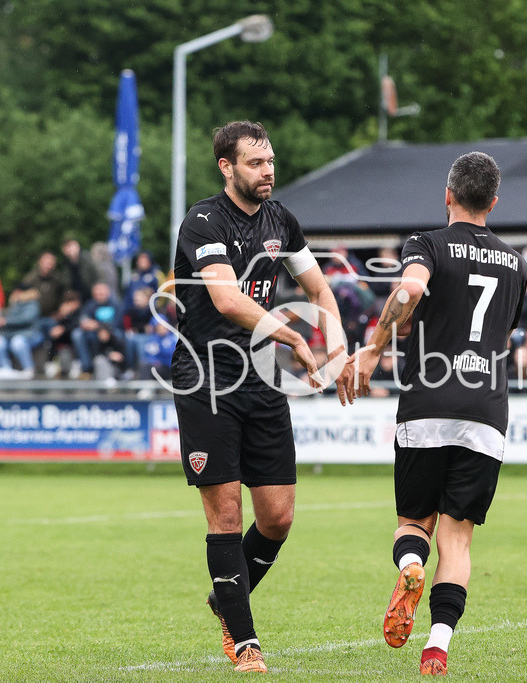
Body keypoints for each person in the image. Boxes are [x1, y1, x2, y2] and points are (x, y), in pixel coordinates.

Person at [171, 121, 351, 673]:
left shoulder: (281, 220)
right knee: (226, 513)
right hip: (207, 380)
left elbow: (318, 287)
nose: (267, 170)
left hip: (261, 380)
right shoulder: (204, 221)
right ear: (226, 167)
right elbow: (226, 299)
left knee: (277, 518)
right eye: (255, 162)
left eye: (270, 160)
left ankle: (225, 596)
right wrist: (293, 334)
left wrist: (339, 346)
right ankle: (244, 640)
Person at [354, 151, 526, 677]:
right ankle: (437, 646)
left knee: (414, 523)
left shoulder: (427, 243)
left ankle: (411, 566)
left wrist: (375, 347)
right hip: (485, 410)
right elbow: (501, 331)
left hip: (428, 403)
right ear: (493, 202)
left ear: (447, 195)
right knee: (458, 537)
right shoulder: (516, 264)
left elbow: (409, 289)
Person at [60, 237, 99, 302]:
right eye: (67, 247)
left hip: (93, 296)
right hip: (77, 299)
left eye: (72, 246)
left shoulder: (88, 259)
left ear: (78, 246)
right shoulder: (66, 265)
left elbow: (98, 278)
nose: (70, 250)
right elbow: (66, 285)